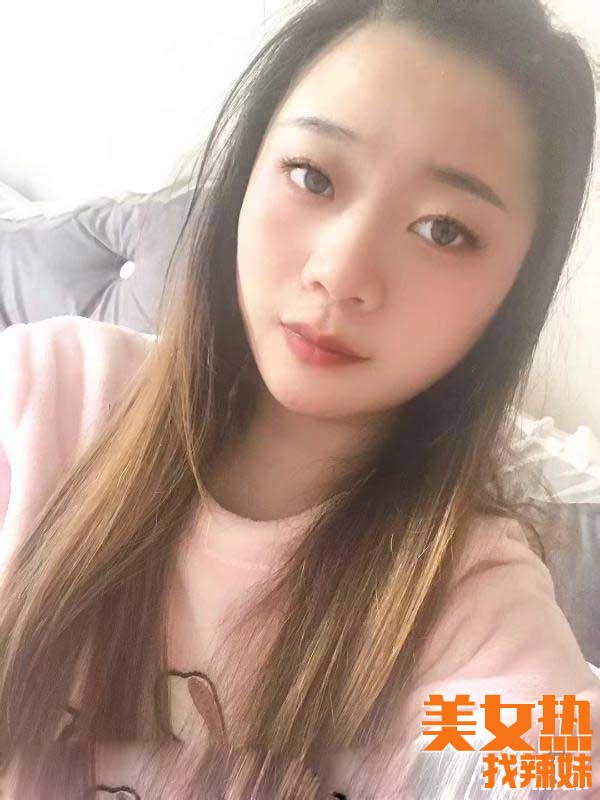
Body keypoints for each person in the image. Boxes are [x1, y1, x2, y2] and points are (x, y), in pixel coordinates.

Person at [0, 0, 598, 797]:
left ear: (512, 297)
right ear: (245, 172)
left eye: (444, 230)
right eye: (313, 176)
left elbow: (545, 765)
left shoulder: (468, 602)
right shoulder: (45, 401)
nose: (341, 273)